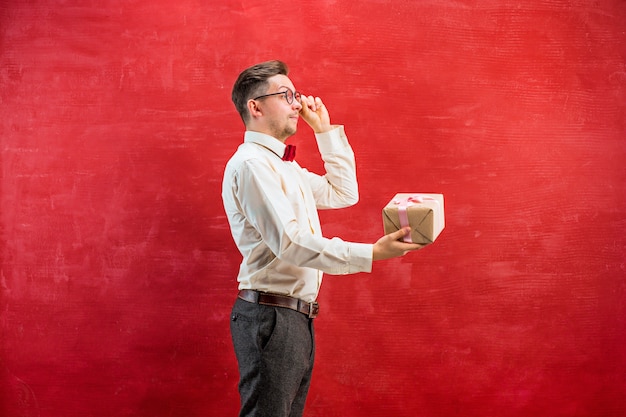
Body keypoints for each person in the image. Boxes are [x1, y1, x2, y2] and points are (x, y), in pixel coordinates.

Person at [222, 60, 424, 417]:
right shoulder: (253, 165)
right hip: (270, 315)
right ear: (255, 107)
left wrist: (324, 131)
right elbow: (290, 243)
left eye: (296, 95)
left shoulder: (284, 167)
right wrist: (372, 253)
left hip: (293, 318)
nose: (298, 104)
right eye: (286, 95)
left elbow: (343, 192)